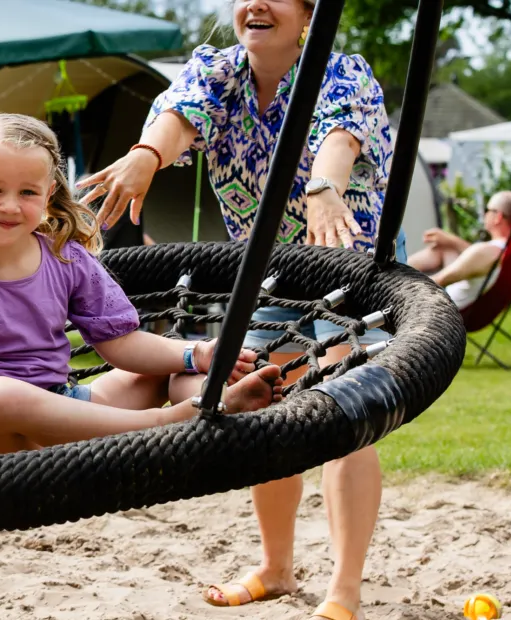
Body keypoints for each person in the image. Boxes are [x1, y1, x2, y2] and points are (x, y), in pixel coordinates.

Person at [73, 0, 398, 617]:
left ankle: (345, 589)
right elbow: (179, 114)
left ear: (309, 14)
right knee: (268, 404)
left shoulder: (342, 71)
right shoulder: (218, 72)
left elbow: (338, 135)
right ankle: (276, 568)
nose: (255, 2)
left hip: (353, 267)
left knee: (343, 410)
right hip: (274, 276)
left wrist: (324, 188)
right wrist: (146, 156)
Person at [0, 113, 283, 457]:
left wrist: (194, 354)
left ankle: (211, 410)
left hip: (67, 411)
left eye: (27, 192)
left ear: (48, 195)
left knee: (163, 367)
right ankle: (168, 425)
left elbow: (120, 343)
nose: (10, 206)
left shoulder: (65, 257)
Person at [409, 191, 511, 309]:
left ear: (498, 217)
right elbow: (475, 257)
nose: (484, 214)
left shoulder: (490, 252)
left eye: (487, 210)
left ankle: (393, 272)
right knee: (445, 248)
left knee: (443, 249)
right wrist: (451, 240)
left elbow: (438, 280)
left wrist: (401, 287)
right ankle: (396, 266)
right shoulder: (505, 249)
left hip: (446, 309)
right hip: (467, 300)